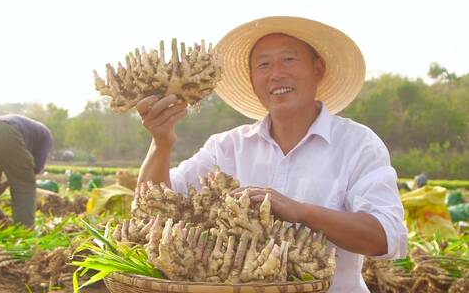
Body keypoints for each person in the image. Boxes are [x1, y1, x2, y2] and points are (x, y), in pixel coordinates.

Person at [135, 16, 407, 292]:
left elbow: (387, 236)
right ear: (253, 81)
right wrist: (161, 143)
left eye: (289, 60)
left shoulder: (358, 144)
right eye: (263, 65)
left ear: (318, 68)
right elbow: (152, 206)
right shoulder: (227, 148)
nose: (276, 74)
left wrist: (300, 211)